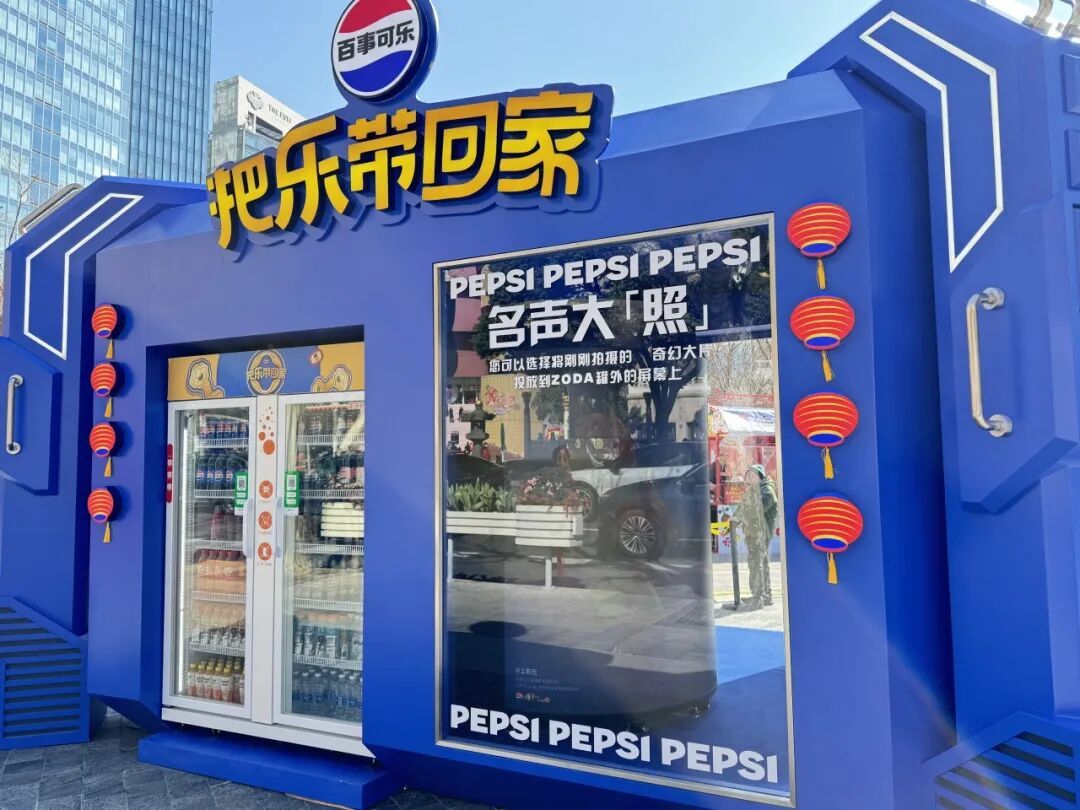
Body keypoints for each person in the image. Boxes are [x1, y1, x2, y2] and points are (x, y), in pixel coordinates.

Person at [735, 465, 778, 610]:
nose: (750, 478)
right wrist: (734, 519)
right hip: (753, 532)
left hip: (761, 533)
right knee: (760, 563)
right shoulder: (751, 492)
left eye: (752, 476)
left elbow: (757, 509)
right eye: (748, 476)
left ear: (760, 477)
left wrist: (740, 517)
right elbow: (741, 508)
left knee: (756, 563)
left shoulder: (767, 491)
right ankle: (765, 596)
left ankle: (758, 597)